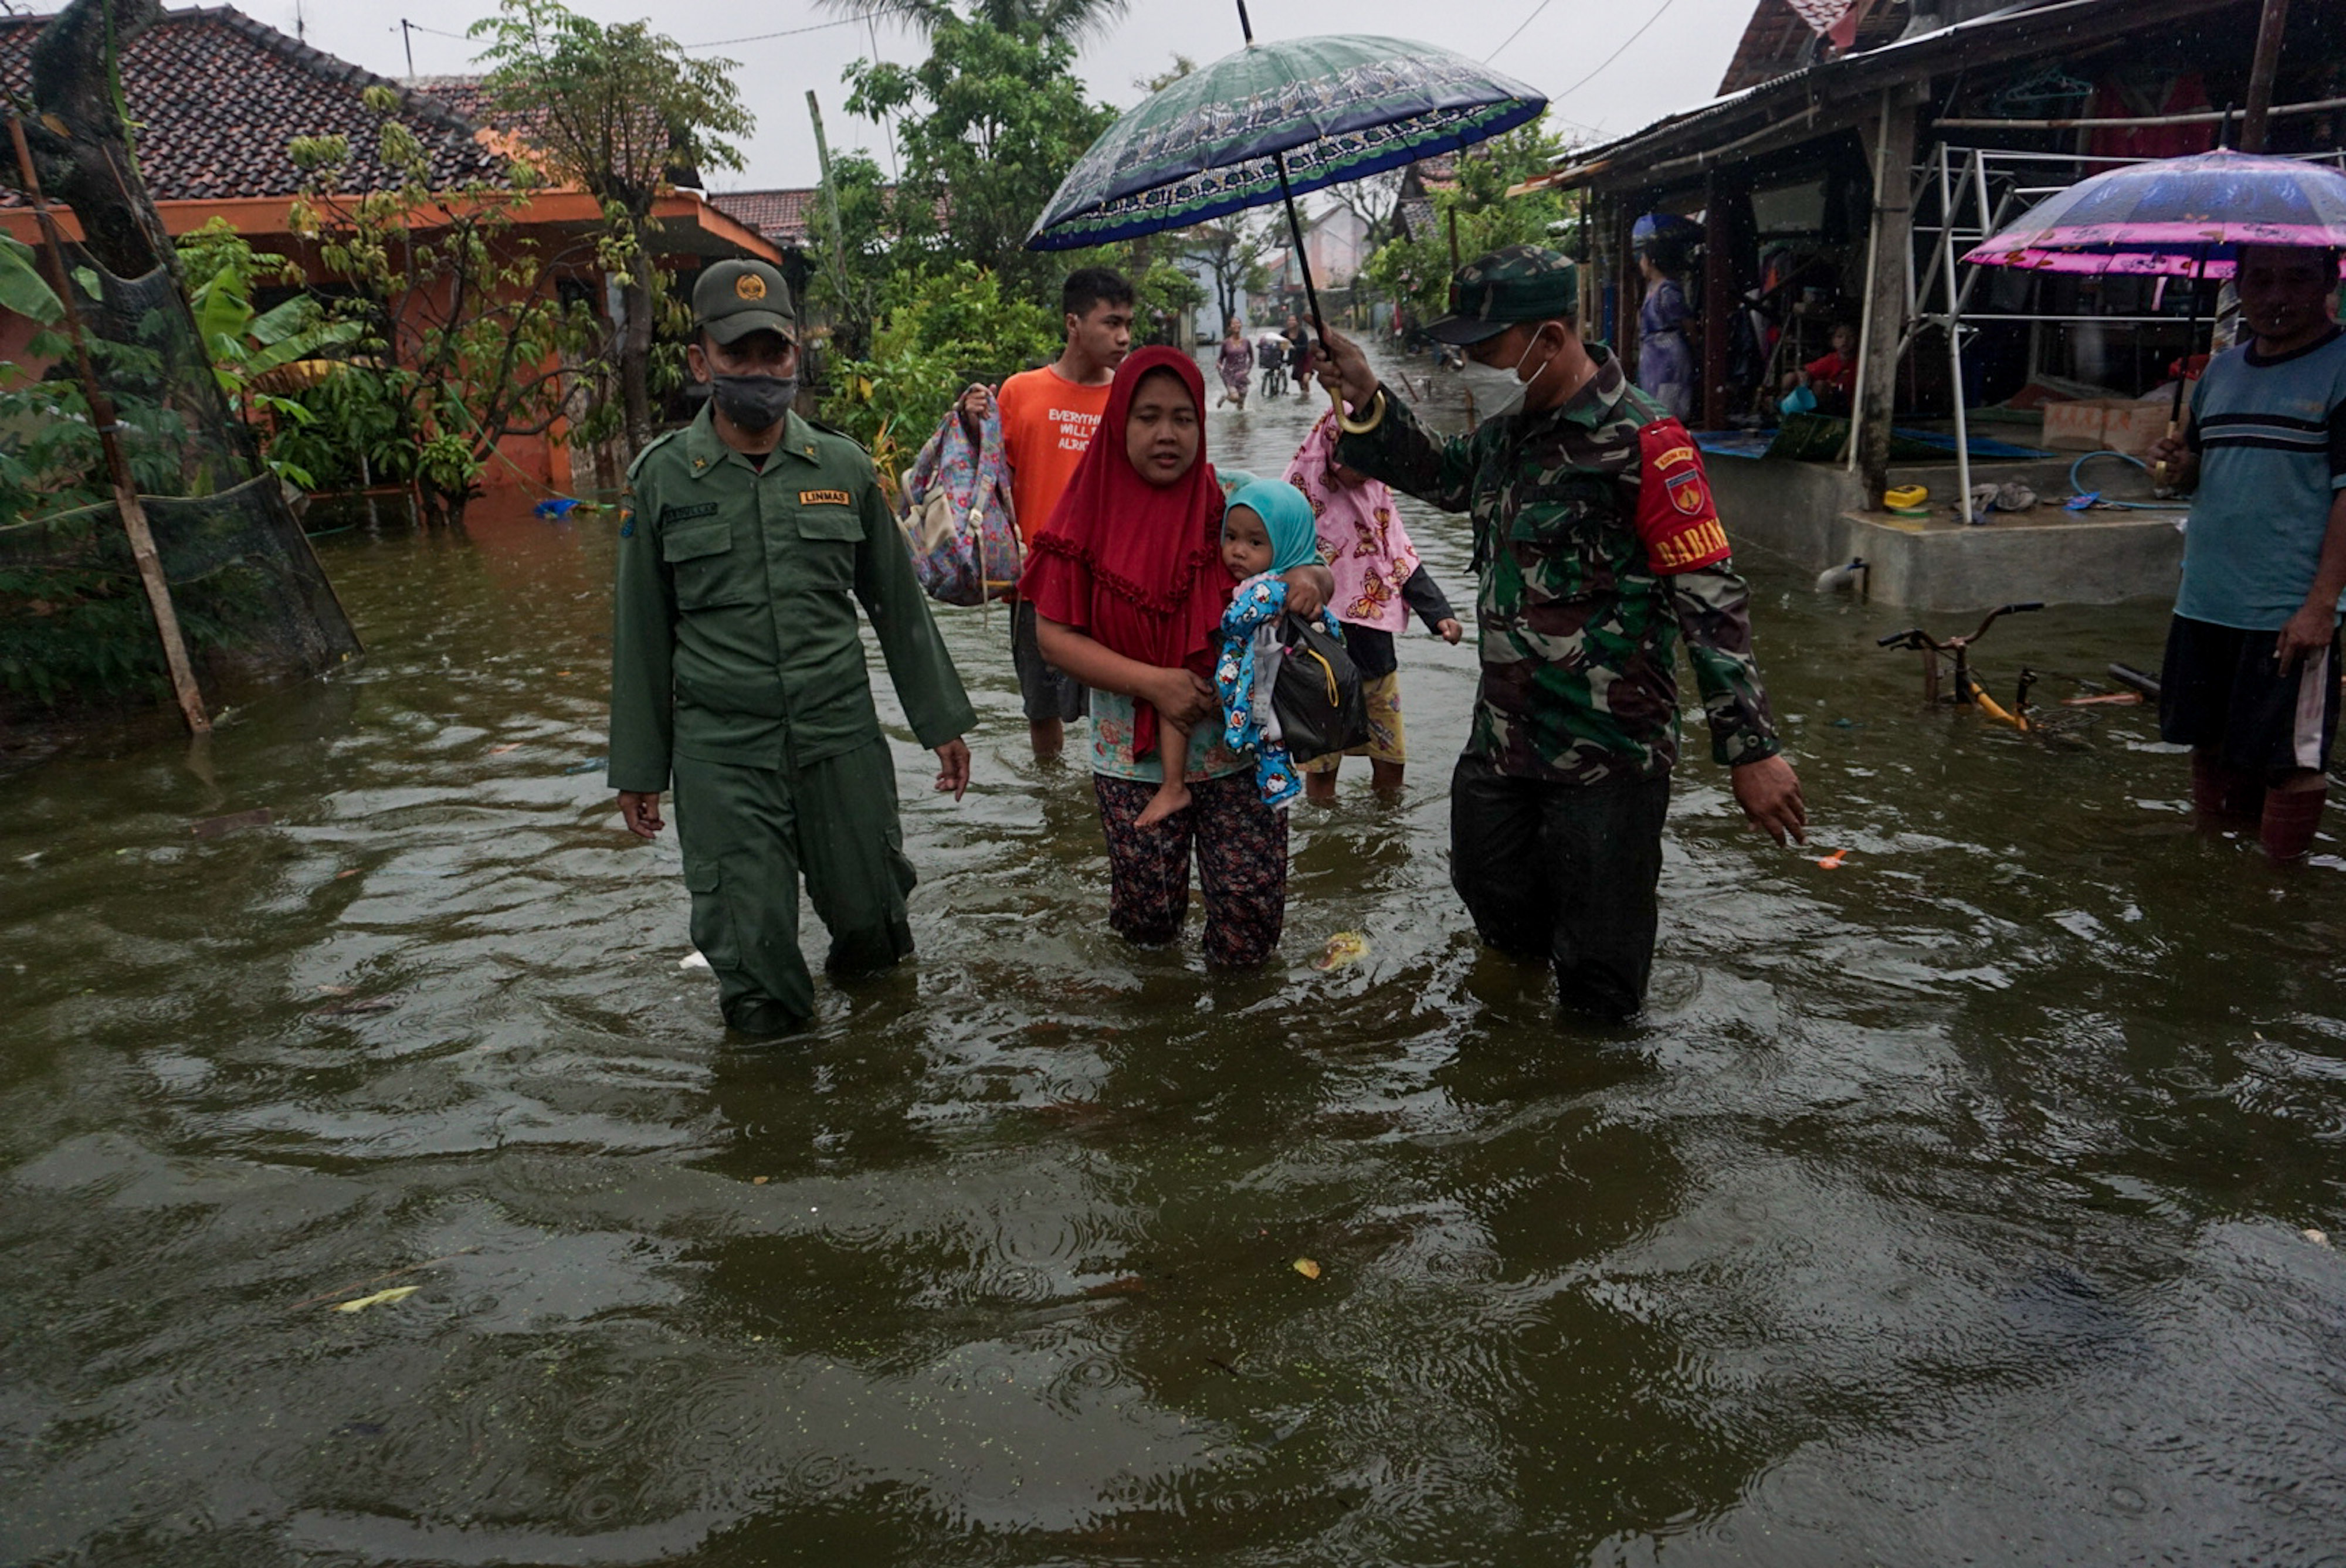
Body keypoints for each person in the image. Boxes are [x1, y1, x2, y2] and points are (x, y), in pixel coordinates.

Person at [1314, 245, 1806, 1021]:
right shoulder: (1510, 436)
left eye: (1487, 348)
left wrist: (1751, 747)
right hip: (1503, 738)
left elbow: (1709, 598)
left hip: (1607, 754)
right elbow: (1440, 472)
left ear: (1548, 339)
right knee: (1492, 903)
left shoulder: (1649, 444)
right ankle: (1515, 1056)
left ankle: (1594, 1107)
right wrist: (1368, 393)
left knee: (1600, 982)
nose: (1471, 362)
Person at [607, 259, 976, 1037]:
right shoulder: (663, 481)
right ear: (701, 360)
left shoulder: (842, 468)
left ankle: (876, 1094)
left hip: (838, 732)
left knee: (876, 935)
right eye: (738, 354)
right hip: (722, 748)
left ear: (794, 355)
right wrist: (641, 768)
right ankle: (773, 1120)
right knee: (757, 971)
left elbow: (896, 606)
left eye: (773, 352)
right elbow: (641, 631)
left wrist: (942, 721)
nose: (760, 371)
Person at [1021, 347, 1333, 966]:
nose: (1167, 434)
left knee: (1250, 920)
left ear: (1202, 423)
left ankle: (1240, 1042)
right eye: (1147, 417)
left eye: (1183, 418)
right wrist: (1157, 684)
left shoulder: (1236, 503)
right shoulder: (1081, 517)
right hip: (1131, 762)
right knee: (1148, 924)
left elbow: (1309, 564)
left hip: (1242, 756)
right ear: (1118, 422)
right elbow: (1052, 638)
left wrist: (1313, 586)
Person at [2147, 242, 2346, 861]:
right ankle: (2215, 866)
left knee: (2291, 760)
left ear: (2328, 283)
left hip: (2285, 607)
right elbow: (2197, 475)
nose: (2277, 296)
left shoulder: (2342, 366)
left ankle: (2277, 892)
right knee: (2206, 741)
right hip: (2206, 598)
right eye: (2259, 280)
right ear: (2237, 286)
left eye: (2296, 279)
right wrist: (2180, 466)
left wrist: (2320, 605)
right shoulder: (2219, 372)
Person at [1283, 409, 1464, 800]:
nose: (1365, 473)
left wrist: (1441, 615)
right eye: (1357, 462)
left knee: (1391, 760)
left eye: (1374, 463)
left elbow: (1402, 558)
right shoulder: (1296, 503)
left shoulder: (1377, 496)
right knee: (1322, 770)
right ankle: (1325, 822)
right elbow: (1270, 568)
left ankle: (1387, 818)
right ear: (1331, 448)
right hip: (1319, 661)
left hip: (1375, 656)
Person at [994, 267, 1135, 759]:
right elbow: (995, 488)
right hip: (1036, 582)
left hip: (1112, 582)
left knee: (1119, 708)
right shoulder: (1018, 392)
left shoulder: (1129, 398)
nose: (1123, 338)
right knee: (1042, 710)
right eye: (1111, 323)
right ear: (1073, 324)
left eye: (1128, 325)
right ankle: (1056, 807)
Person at [1212, 479, 1348, 811]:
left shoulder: (1271, 587)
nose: (1238, 551)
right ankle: (1280, 787)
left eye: (1255, 542)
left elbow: (1235, 621)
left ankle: (1270, 775)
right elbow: (1334, 629)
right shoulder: (1294, 589)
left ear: (1286, 543)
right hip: (1277, 680)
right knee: (1270, 737)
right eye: (1230, 538)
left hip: (1260, 674)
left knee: (1255, 721)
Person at [1633, 217, 1697, 422]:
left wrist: (1696, 347)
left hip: (1668, 354)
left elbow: (1688, 324)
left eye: (1643, 258)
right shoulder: (1651, 290)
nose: (1640, 263)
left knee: (1668, 403)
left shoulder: (1668, 291)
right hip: (1653, 355)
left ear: (1652, 261)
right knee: (1652, 404)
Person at [1784, 322, 1860, 417]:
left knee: (1821, 386)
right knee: (1790, 378)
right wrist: (1802, 376)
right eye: (1840, 337)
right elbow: (1807, 371)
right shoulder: (1831, 359)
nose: (1845, 341)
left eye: (1850, 337)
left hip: (1848, 406)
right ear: (1833, 341)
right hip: (1827, 404)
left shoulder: (1860, 362)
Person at [1215, 319, 1253, 409]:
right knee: (1235, 398)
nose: (1236, 325)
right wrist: (1219, 364)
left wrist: (1247, 371)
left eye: (1238, 323)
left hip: (1241, 375)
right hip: (1229, 374)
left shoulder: (1247, 342)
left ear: (1241, 325)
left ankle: (1240, 423)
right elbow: (1220, 359)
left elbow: (1252, 359)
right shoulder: (1226, 343)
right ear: (1230, 327)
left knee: (1241, 406)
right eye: (1234, 324)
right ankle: (1225, 398)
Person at [1282, 313, 1311, 399]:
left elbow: (1306, 347)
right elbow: (1278, 341)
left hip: (1306, 358)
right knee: (1300, 381)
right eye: (1290, 320)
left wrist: (1294, 347)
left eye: (1293, 320)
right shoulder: (1285, 333)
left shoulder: (1302, 333)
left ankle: (1308, 395)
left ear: (1297, 322)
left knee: (1305, 380)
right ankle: (1305, 396)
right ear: (1287, 322)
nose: (1291, 322)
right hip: (1296, 360)